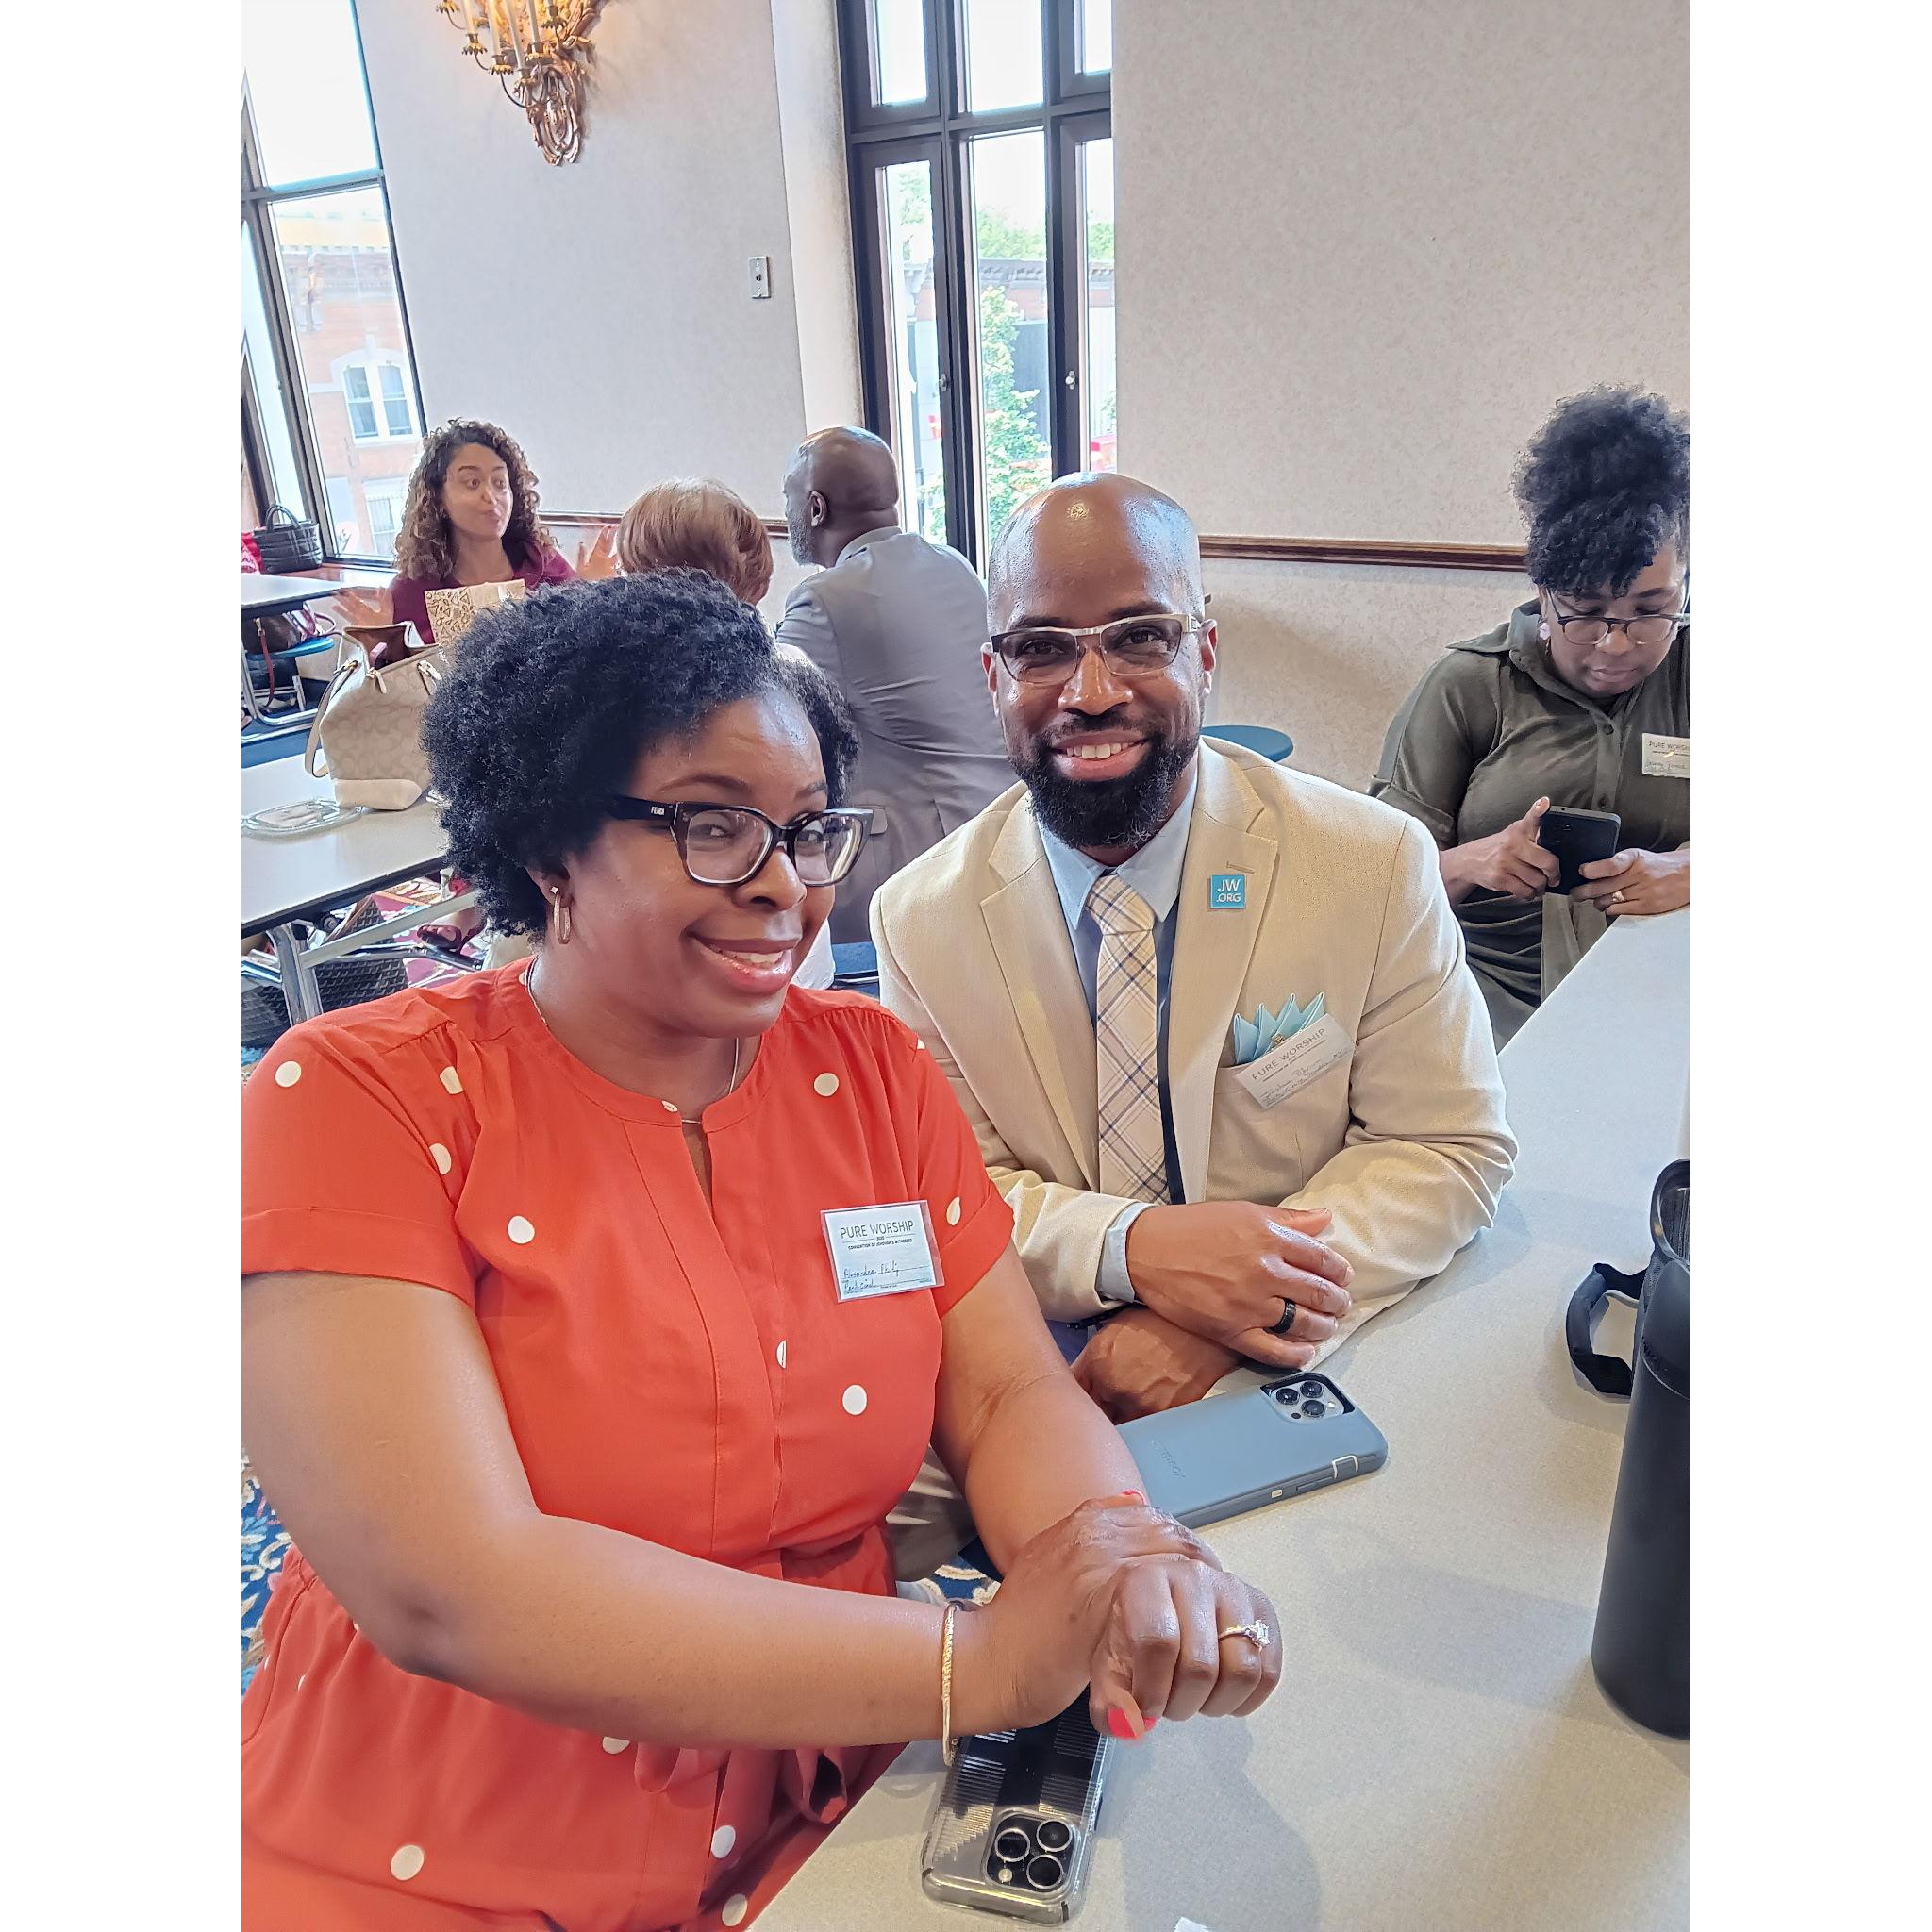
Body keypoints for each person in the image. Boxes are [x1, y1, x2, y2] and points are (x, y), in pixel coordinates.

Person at [242, 571, 1282, 1930]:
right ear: (551, 845)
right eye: (716, 829)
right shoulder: (362, 1097)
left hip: (835, 1793)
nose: (787, 890)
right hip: (463, 1833)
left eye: (807, 832)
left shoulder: (868, 1069)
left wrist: (1116, 1552)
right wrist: (977, 1666)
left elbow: (1010, 1389)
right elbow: (456, 1591)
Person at [872, 474, 1515, 1459]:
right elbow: (949, 1191)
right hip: (1041, 1369)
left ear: (1203, 653)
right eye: (1040, 648)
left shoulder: (1369, 865)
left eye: (1139, 636)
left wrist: (1224, 1310)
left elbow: (1443, 1144)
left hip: (1307, 1367)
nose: (1091, 693)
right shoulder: (920, 918)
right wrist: (1141, 1252)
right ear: (992, 675)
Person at [1371, 388, 1691, 1045]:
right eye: (1585, 612)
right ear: (1542, 593)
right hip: (1488, 998)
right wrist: (1471, 863)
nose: (1617, 644)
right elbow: (1372, 881)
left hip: (1668, 988)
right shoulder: (1470, 685)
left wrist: (1693, 870)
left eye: (1651, 609)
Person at [775, 427, 1011, 943]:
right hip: (1003, 827)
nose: (786, 513)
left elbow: (767, 716)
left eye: (788, 500)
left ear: (815, 508)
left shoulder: (827, 600)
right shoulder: (955, 566)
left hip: (915, 854)